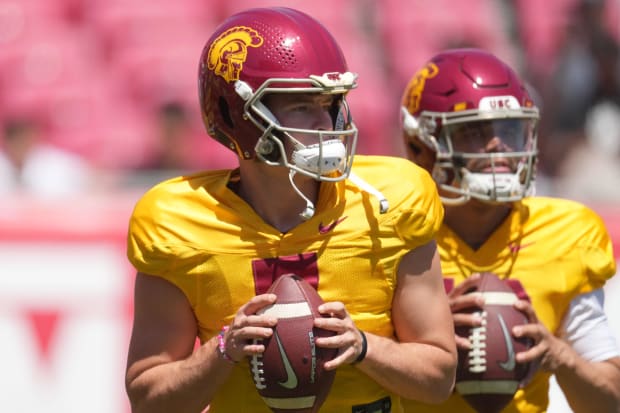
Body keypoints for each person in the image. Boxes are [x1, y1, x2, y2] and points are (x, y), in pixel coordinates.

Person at [124, 7, 457, 413]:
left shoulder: (388, 203)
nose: (326, 122)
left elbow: (439, 376)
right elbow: (148, 399)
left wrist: (364, 347)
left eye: (330, 103)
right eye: (302, 106)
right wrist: (224, 350)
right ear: (236, 113)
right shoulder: (177, 222)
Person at [399, 48, 620, 413]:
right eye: (473, 131)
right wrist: (422, 334)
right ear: (420, 146)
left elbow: (608, 404)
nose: (498, 146)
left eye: (510, 130)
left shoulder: (565, 233)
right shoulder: (392, 232)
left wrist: (558, 354)